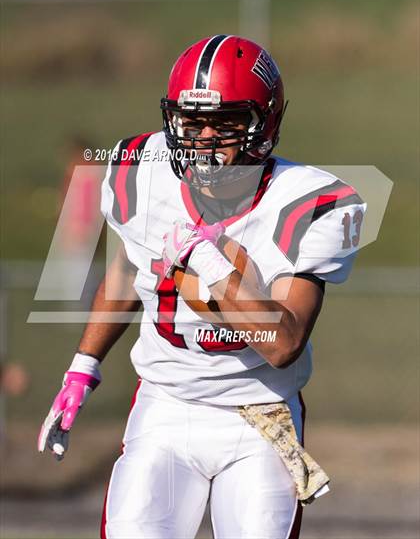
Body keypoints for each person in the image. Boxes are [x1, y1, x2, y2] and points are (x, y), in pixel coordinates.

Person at [38, 35, 366, 539]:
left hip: (258, 414)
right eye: (193, 123)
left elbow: (283, 343)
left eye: (227, 122)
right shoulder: (139, 171)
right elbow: (129, 271)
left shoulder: (311, 201)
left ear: (266, 122)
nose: (206, 139)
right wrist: (83, 367)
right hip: (165, 407)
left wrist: (204, 260)